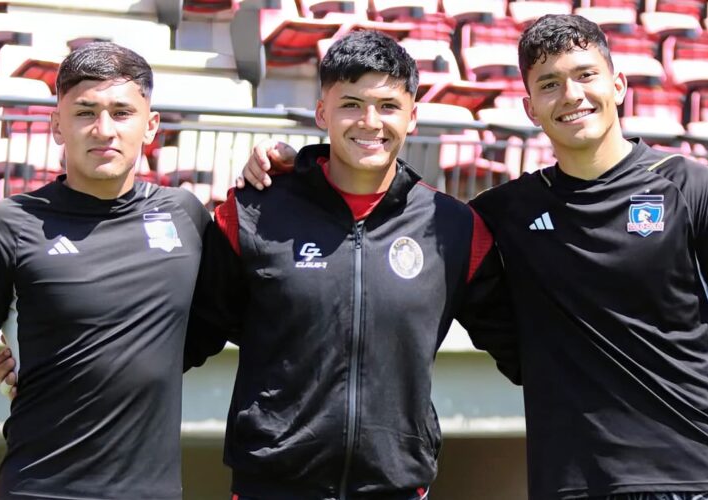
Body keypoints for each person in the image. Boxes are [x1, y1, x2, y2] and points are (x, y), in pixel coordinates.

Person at [237, 14, 708, 500]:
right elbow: (390, 222)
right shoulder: (500, 214)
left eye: (585, 76)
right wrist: (298, 169)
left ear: (617, 85)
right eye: (549, 83)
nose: (571, 95)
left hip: (699, 476)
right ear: (530, 107)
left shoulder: (694, 189)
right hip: (571, 482)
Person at [182, 30, 519, 499]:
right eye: (351, 104)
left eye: (387, 106)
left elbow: (524, 348)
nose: (369, 122)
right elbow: (183, 339)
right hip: (273, 486)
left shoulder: (454, 228)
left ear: (413, 116)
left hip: (394, 487)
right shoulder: (254, 212)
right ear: (323, 112)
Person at [0, 42, 211, 500]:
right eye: (85, 112)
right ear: (57, 124)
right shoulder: (3, 224)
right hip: (40, 490)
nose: (103, 129)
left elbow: (218, 323)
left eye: (121, 112)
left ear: (150, 125)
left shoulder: (186, 216)